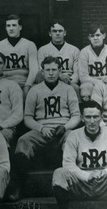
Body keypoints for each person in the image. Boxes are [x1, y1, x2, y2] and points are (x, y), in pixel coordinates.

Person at [10, 56, 81, 200]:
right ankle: (19, 185)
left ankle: (73, 185)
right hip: (42, 129)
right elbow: (27, 117)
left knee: (72, 139)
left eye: (54, 70)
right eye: (47, 70)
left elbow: (76, 115)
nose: (51, 73)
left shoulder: (68, 89)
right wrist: (41, 128)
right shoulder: (35, 90)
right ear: (42, 71)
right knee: (23, 140)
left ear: (60, 71)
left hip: (63, 129)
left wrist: (65, 126)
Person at [0, 14, 38, 98]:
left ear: (20, 27)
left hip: (24, 83)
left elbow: (34, 70)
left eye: (14, 25)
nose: (11, 28)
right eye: (8, 26)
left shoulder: (30, 45)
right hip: (5, 83)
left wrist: (27, 86)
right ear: (5, 28)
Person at [37, 19, 80, 100]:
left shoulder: (74, 50)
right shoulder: (43, 50)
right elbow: (41, 71)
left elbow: (77, 73)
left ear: (65, 33)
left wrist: (68, 81)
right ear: (50, 33)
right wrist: (59, 77)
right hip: (50, 80)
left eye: (60, 31)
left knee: (75, 88)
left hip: (69, 81)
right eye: (54, 31)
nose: (57, 33)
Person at [77, 23, 107, 100]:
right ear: (89, 37)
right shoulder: (84, 52)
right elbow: (83, 76)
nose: (95, 38)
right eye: (92, 36)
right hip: (90, 83)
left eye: (98, 35)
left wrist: (104, 81)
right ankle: (88, 111)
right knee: (85, 88)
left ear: (104, 36)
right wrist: (98, 82)